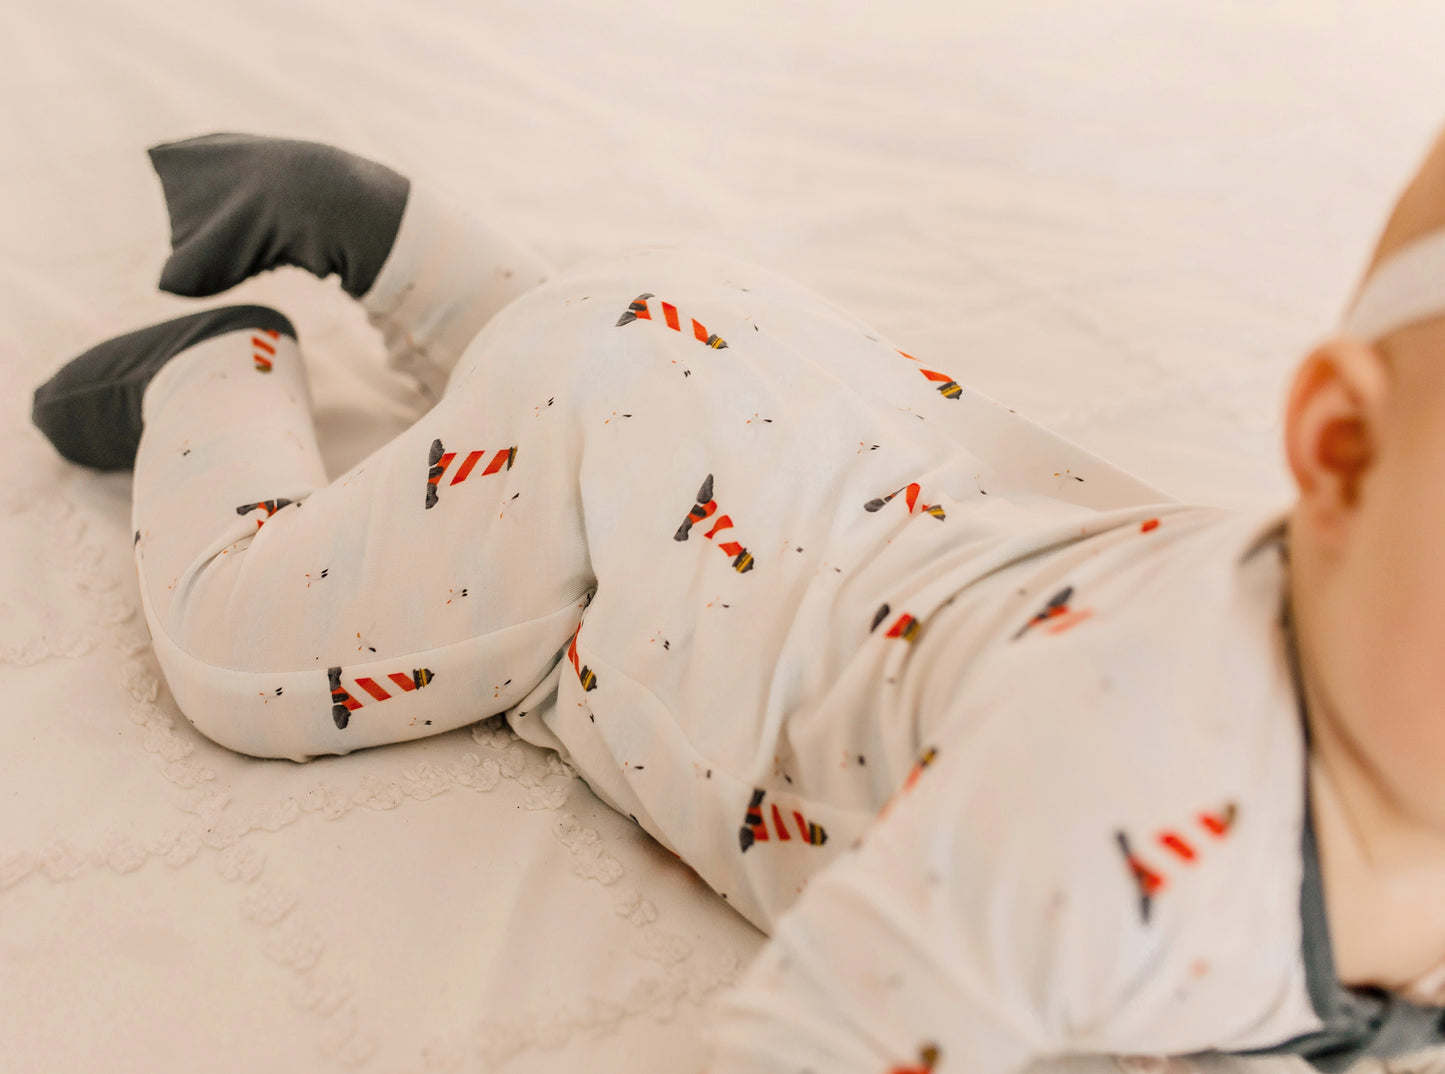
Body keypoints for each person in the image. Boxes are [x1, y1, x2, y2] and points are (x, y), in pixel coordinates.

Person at [31, 130, 1445, 1073]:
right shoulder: (1099, 806)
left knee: (621, 390)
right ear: (1339, 452)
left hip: (770, 402)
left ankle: (412, 251)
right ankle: (211, 367)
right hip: (622, 492)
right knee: (238, 648)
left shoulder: (1375, 659)